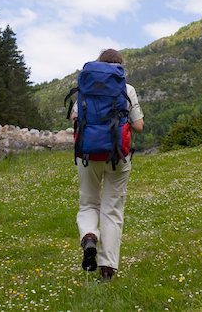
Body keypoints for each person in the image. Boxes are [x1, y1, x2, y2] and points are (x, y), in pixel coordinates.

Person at [71, 49, 144, 281]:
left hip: (88, 156)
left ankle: (90, 236)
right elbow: (139, 125)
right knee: (112, 210)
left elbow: (75, 118)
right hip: (117, 156)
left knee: (88, 203)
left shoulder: (86, 87)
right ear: (120, 66)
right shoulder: (126, 88)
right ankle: (107, 269)